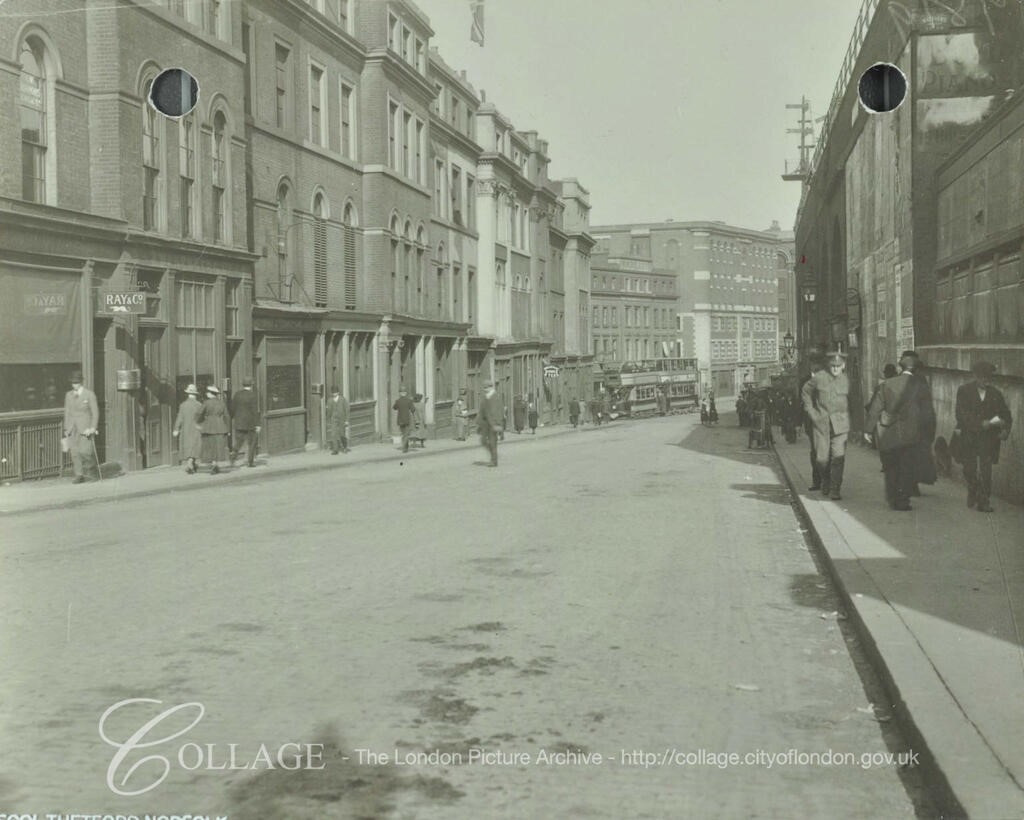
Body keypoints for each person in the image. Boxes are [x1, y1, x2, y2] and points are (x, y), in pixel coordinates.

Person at [866, 350, 936, 511]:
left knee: (891, 467)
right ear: (915, 369)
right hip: (911, 435)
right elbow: (928, 414)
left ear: (901, 367)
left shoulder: (887, 384)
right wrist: (929, 434)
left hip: (889, 433)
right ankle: (903, 501)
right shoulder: (921, 387)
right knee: (907, 467)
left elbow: (875, 408)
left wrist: (868, 430)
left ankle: (892, 499)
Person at [955, 360, 1013, 512]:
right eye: (982, 377)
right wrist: (980, 423)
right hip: (969, 436)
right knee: (969, 469)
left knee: (986, 470)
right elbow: (961, 415)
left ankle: (984, 501)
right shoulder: (964, 391)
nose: (985, 381)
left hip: (988, 439)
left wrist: (1005, 428)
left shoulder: (996, 394)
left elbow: (1005, 414)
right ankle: (973, 488)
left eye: (988, 377)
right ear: (975, 376)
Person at [62, 370, 100, 483]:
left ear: (81, 382)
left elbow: (95, 412)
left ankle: (92, 473)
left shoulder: (89, 394)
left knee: (86, 451)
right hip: (72, 428)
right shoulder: (68, 395)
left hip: (85, 428)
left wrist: (93, 427)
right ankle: (79, 475)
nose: (75, 385)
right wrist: (66, 428)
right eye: (73, 383)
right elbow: (67, 412)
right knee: (74, 452)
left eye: (77, 382)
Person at [196, 384, 230, 474]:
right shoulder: (222, 403)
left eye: (207, 392)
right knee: (218, 446)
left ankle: (213, 464)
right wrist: (228, 429)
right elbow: (227, 416)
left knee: (209, 446)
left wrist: (198, 422)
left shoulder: (206, 403)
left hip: (208, 426)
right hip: (220, 426)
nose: (207, 394)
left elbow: (199, 413)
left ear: (211, 394)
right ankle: (216, 464)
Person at [230, 377, 261, 467]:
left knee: (239, 442)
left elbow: (232, 408)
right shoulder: (252, 396)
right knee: (251, 443)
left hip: (239, 423)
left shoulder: (237, 394)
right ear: (251, 385)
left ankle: (233, 457)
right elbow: (255, 411)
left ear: (243, 385)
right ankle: (250, 462)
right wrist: (258, 424)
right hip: (250, 423)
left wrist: (234, 417)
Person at [172, 383, 203, 474]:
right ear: (195, 394)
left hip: (186, 429)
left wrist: (176, 429)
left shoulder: (183, 405)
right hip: (196, 428)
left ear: (187, 393)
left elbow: (180, 418)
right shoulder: (199, 405)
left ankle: (190, 464)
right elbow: (202, 418)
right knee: (194, 446)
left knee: (188, 446)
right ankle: (191, 464)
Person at [478, 380, 505, 467]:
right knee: (483, 441)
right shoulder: (486, 397)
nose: (484, 389)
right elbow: (482, 410)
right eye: (484, 388)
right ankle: (493, 456)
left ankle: (494, 461)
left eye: (485, 388)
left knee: (493, 442)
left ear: (490, 387)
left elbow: (499, 411)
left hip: (493, 423)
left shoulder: (495, 397)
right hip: (486, 423)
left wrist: (498, 424)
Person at [326, 386, 350, 455]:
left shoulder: (342, 399)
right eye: (333, 392)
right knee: (333, 434)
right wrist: (328, 420)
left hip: (342, 419)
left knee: (342, 434)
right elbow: (328, 412)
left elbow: (347, 410)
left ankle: (345, 447)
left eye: (335, 392)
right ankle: (335, 450)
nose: (334, 394)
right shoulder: (329, 400)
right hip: (333, 419)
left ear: (338, 392)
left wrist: (347, 420)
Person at [392, 388, 415, 452]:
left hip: (400, 420)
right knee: (406, 434)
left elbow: (394, 408)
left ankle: (406, 447)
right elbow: (413, 409)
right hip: (407, 419)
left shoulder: (398, 401)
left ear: (400, 393)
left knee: (403, 433)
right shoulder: (409, 401)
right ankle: (404, 448)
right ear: (406, 393)